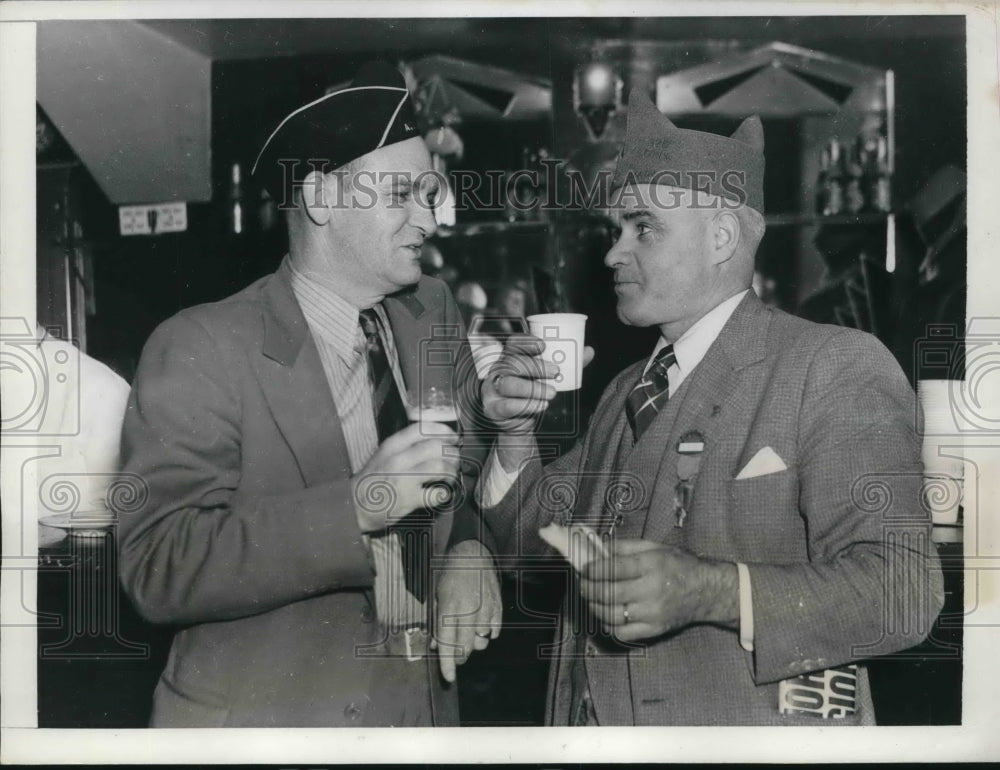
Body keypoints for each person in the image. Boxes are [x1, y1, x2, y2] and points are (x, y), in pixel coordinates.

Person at [478, 91, 944, 725]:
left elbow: (905, 592)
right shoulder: (625, 392)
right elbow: (534, 547)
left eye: (643, 227)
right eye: (617, 230)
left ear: (721, 236)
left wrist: (713, 591)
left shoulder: (832, 366)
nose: (613, 252)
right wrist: (513, 435)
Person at [117, 62, 500, 727]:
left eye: (430, 192)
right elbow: (157, 565)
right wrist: (357, 507)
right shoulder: (200, 345)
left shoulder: (430, 310)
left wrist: (469, 546)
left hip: (417, 718)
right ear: (321, 198)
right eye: (402, 193)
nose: (430, 218)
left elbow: (464, 468)